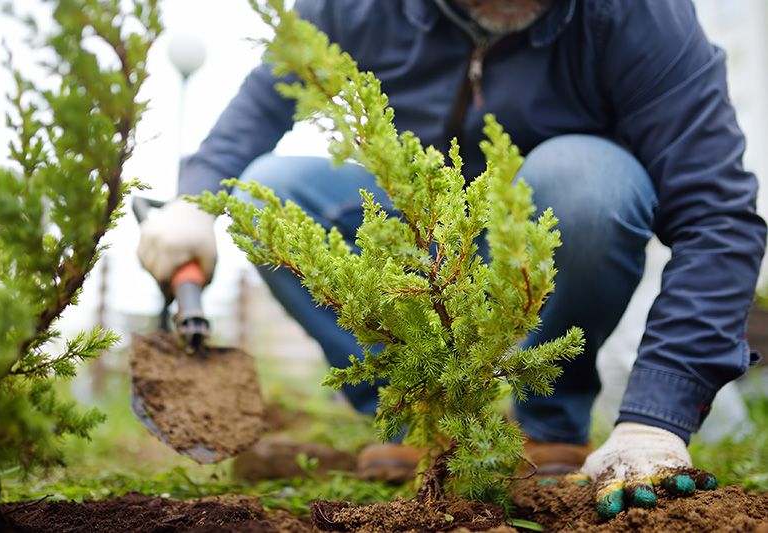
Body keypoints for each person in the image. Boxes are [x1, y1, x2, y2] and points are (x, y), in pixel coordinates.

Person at [138, 0, 767, 517]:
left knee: (587, 181)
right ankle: (418, 415)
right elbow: (262, 104)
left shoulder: (640, 17)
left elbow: (717, 215)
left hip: (551, 234)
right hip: (424, 235)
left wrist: (656, 419)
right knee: (266, 191)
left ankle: (549, 417)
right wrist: (196, 199)